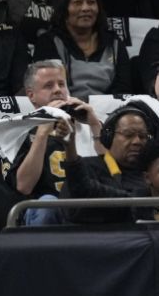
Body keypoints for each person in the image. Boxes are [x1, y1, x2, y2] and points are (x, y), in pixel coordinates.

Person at [9, 61, 102, 226]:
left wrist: (95, 126)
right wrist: (42, 132)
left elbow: (115, 172)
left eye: (61, 84)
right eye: (48, 86)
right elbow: (24, 186)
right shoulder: (19, 132)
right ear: (31, 95)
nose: (58, 90)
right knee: (48, 203)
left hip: (86, 208)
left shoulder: (91, 124)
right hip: (47, 211)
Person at [32, 0, 133, 97]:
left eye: (91, 2)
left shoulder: (114, 43)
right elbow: (48, 87)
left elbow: (124, 88)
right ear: (64, 10)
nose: (86, 8)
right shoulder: (49, 42)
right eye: (77, 2)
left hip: (109, 109)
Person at [60, 105, 154, 224]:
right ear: (108, 137)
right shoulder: (86, 167)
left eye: (143, 136)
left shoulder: (152, 175)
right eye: (128, 135)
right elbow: (74, 208)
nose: (137, 142)